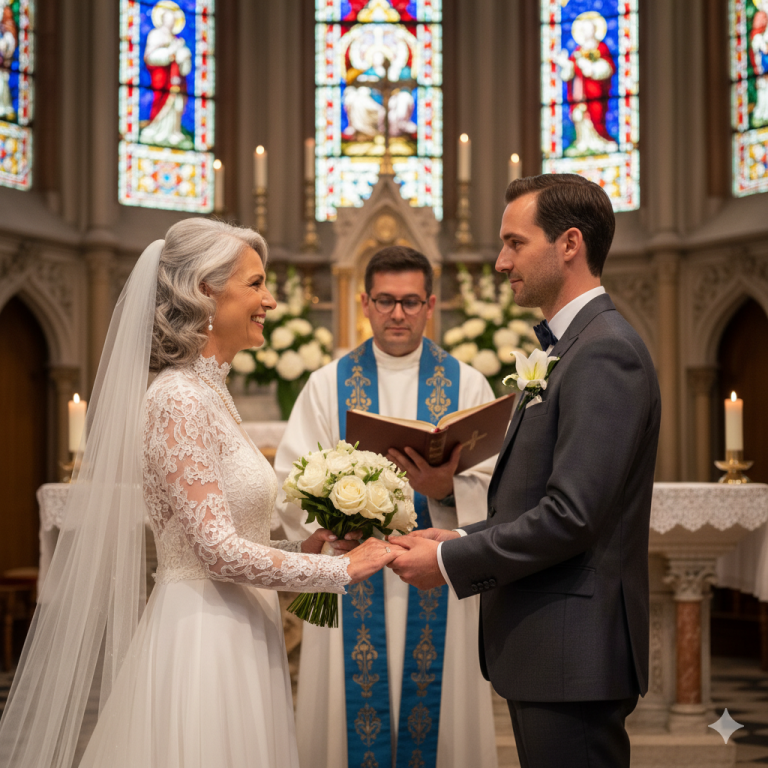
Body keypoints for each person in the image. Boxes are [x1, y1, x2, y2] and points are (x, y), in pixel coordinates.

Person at [0, 218, 396, 768]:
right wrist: (340, 572)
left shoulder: (212, 395)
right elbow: (213, 551)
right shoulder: (178, 399)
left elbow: (232, 535)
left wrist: (303, 553)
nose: (271, 301)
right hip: (205, 637)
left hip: (242, 627)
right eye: (255, 284)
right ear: (206, 290)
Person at [389, 174, 661, 768]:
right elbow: (538, 503)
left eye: (515, 242)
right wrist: (460, 535)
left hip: (573, 652)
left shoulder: (604, 352)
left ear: (569, 244)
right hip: (554, 650)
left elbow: (571, 517)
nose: (499, 260)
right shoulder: (571, 348)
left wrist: (445, 562)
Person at [273, 246, 499, 768]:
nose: (398, 313)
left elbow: (497, 488)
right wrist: (335, 516)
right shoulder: (326, 385)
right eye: (386, 301)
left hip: (437, 572)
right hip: (351, 571)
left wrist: (445, 488)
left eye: (411, 301)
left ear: (430, 304)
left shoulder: (466, 383)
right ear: (365, 303)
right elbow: (292, 479)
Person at [555, 11, 618, 156]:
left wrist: (591, 67)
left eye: (589, 28)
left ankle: (599, 140)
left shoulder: (601, 48)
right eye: (584, 29)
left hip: (596, 92)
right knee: (580, 116)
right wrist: (565, 64)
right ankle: (583, 143)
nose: (586, 32)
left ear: (595, 29)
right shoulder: (578, 51)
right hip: (579, 93)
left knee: (596, 116)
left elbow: (607, 68)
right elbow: (569, 72)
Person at [139, 1, 193, 149]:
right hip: (161, 80)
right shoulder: (155, 35)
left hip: (176, 82)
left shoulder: (177, 40)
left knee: (177, 106)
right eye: (168, 19)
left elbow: (184, 67)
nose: (170, 23)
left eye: (173, 21)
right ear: (162, 19)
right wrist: (170, 52)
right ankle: (157, 129)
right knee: (161, 103)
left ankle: (174, 132)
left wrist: (184, 58)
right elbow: (150, 57)